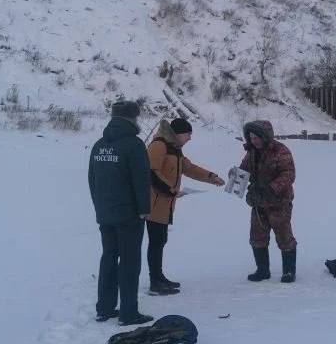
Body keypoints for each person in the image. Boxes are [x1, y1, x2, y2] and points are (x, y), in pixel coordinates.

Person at [88, 99, 153, 326]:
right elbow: (141, 180)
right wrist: (145, 209)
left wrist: (100, 207)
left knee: (108, 257)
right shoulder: (134, 145)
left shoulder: (98, 145)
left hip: (105, 214)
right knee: (129, 262)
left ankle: (104, 308)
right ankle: (128, 312)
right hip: (129, 215)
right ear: (132, 119)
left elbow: (92, 180)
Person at [146, 117, 224, 294]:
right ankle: (155, 282)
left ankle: (159, 277)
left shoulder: (175, 149)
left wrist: (211, 177)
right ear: (179, 133)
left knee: (160, 241)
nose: (189, 138)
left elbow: (189, 168)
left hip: (165, 204)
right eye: (188, 134)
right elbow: (151, 173)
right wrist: (171, 190)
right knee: (156, 242)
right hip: (154, 204)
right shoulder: (159, 145)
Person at [240, 119, 297, 283]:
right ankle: (262, 270)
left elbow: (289, 174)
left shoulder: (281, 151)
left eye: (257, 137)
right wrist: (235, 175)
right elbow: (244, 170)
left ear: (265, 136)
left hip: (279, 203)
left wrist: (272, 187)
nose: (254, 140)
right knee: (257, 237)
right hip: (258, 203)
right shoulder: (251, 152)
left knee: (284, 237)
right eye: (251, 137)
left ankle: (288, 272)